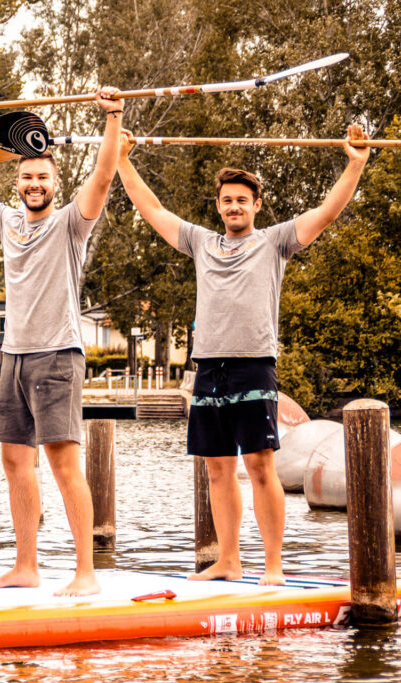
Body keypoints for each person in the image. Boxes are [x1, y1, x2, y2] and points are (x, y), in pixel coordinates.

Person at [115, 124, 370, 585]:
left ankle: (273, 565)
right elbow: (151, 209)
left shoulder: (274, 242)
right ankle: (229, 560)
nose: (234, 206)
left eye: (242, 200)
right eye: (227, 200)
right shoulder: (200, 242)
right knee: (217, 470)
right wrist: (121, 159)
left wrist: (354, 163)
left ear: (255, 206)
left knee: (259, 465)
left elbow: (326, 213)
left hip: (254, 365)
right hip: (209, 368)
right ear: (219, 206)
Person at [0, 89, 124, 596]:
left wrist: (113, 117)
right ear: (17, 182)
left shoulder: (70, 224)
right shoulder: (8, 223)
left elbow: (102, 177)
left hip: (57, 354)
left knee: (62, 461)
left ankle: (85, 574)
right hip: (12, 356)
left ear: (55, 183)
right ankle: (26, 566)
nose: (34, 184)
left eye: (43, 177)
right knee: (15, 461)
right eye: (27, 177)